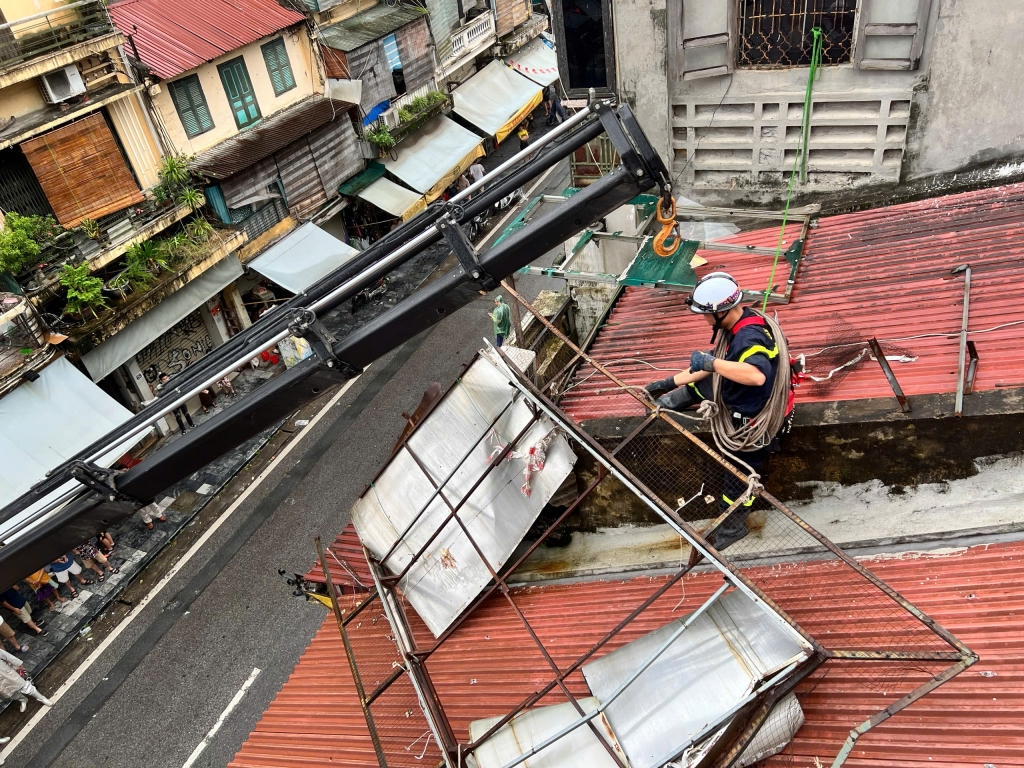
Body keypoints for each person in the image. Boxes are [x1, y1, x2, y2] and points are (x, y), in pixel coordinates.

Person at [645, 272, 786, 550]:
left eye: (704, 314)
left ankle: (734, 527)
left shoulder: (748, 337)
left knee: (737, 477)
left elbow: (756, 376)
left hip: (749, 418)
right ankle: (674, 398)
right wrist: (667, 383)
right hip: (735, 391)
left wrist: (711, 365)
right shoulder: (741, 322)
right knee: (708, 382)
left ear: (721, 312)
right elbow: (711, 367)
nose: (704, 319)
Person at [0, 648, 52, 712]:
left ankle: (41, 698)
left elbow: (5, 655)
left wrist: (17, 663)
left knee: (24, 686)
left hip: (5, 673)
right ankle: (23, 699)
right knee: (9, 693)